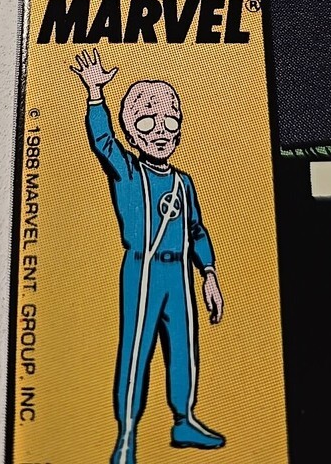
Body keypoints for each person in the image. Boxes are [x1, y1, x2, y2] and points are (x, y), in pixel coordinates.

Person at [70, 48, 226, 464]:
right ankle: (126, 436)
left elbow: (197, 230)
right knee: (137, 349)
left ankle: (184, 420)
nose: (160, 131)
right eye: (146, 122)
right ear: (132, 132)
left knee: (184, 346)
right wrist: (95, 94)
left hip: (180, 274)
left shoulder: (183, 182)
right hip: (143, 269)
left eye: (169, 121)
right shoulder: (127, 171)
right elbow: (102, 142)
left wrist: (209, 274)